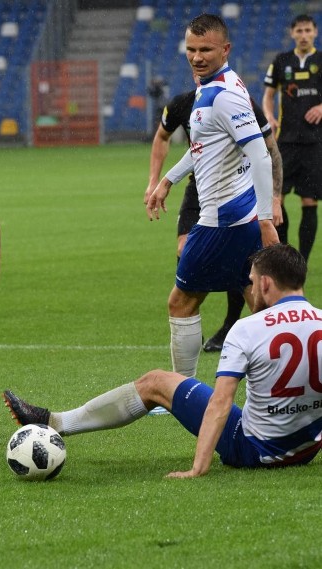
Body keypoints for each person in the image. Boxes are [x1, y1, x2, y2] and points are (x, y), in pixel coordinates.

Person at [5, 243, 322, 478]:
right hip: (305, 450)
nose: (250, 289)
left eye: (252, 282)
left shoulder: (247, 329)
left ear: (266, 283)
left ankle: (56, 422)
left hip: (254, 451)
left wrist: (198, 468)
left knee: (156, 382)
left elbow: (222, 402)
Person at [147, 14, 278, 383]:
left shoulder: (225, 95)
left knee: (181, 301)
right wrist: (168, 180)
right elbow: (203, 145)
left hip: (223, 220)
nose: (197, 56)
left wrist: (266, 220)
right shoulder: (215, 86)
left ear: (225, 49)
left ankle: (181, 391)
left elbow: (261, 155)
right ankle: (275, 381)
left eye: (205, 49)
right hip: (239, 214)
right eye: (191, 49)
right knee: (259, 299)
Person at [262, 14, 322, 263]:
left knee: (309, 201)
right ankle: (285, 256)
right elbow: (268, 96)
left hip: (314, 142)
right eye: (299, 31)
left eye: (308, 30)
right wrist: (269, 117)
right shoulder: (281, 60)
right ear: (292, 33)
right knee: (278, 198)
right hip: (284, 141)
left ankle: (303, 261)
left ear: (315, 32)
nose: (304, 35)